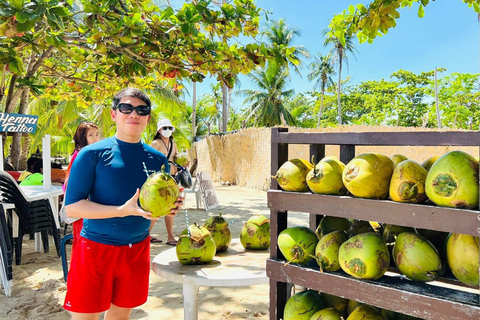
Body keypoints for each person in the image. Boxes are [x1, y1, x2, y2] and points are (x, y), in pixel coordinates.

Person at [63, 88, 184, 319]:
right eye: (126, 108)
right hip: (95, 248)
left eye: (142, 109)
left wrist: (170, 206)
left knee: (121, 315)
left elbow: (152, 205)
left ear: (148, 118)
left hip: (137, 249)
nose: (134, 114)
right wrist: (121, 211)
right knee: (86, 316)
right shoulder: (92, 153)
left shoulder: (158, 159)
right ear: (113, 114)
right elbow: (73, 207)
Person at [62, 121, 100, 249]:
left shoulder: (93, 154)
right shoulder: (80, 155)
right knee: (83, 242)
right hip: (81, 205)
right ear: (82, 138)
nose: (95, 138)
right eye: (91, 135)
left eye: (97, 134)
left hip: (91, 205)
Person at [149, 118, 187, 245]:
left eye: (170, 128)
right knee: (157, 208)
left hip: (173, 178)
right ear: (159, 130)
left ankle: (170, 236)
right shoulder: (156, 143)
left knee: (172, 208)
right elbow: (148, 159)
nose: (168, 130)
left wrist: (184, 163)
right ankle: (146, 235)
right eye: (165, 128)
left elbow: (176, 159)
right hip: (160, 180)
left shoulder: (173, 143)